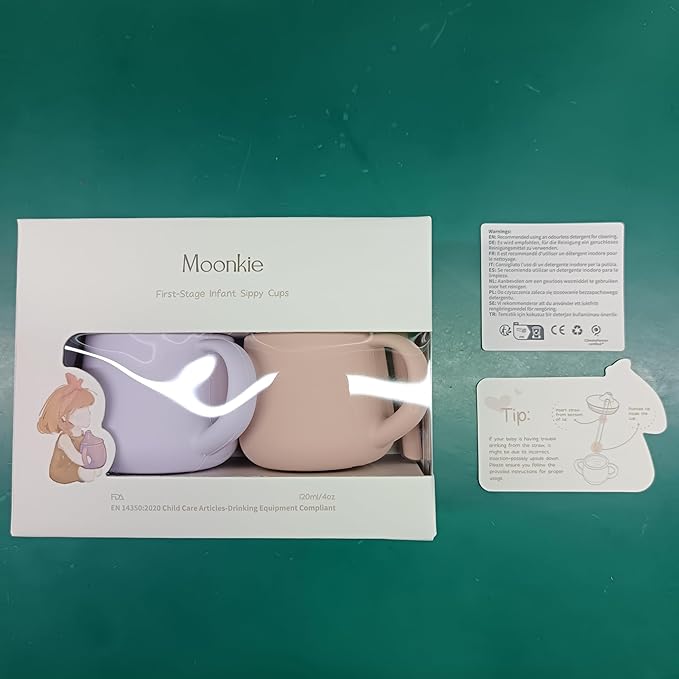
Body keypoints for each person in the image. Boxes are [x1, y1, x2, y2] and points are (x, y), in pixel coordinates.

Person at [37, 373, 103, 484]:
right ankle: (81, 474)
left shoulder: (82, 435)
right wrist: (92, 462)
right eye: (80, 409)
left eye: (87, 409)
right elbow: (76, 457)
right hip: (62, 471)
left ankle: (84, 473)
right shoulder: (65, 438)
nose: (87, 413)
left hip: (78, 465)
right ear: (63, 415)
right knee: (86, 473)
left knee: (93, 471)